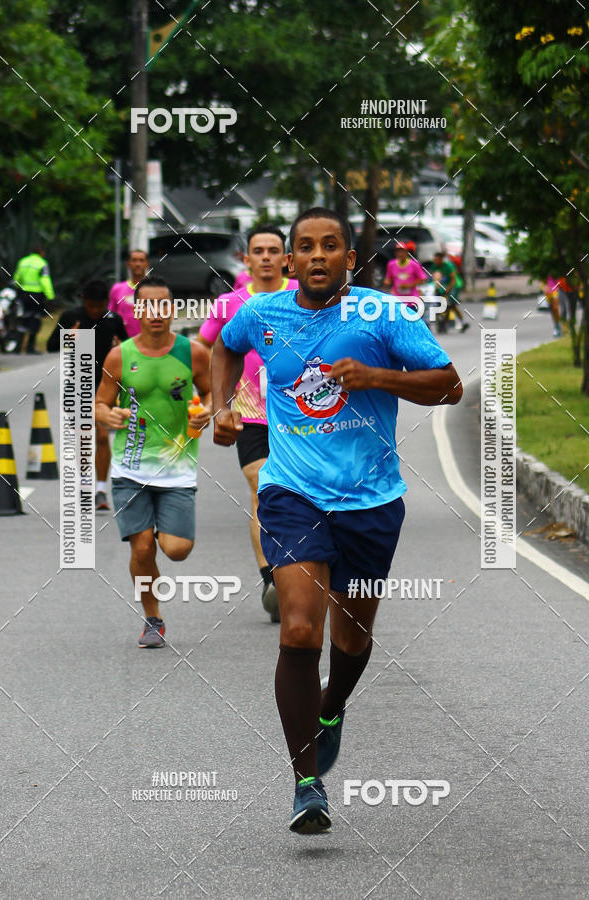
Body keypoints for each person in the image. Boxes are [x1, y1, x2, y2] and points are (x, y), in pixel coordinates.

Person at [211, 207, 462, 833]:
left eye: (330, 246)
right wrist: (223, 408)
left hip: (373, 500)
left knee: (351, 641)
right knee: (299, 630)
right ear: (289, 260)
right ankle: (306, 784)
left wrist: (376, 376)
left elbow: (450, 384)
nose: (316, 255)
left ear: (350, 260)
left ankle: (332, 708)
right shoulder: (263, 314)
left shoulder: (385, 315)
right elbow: (222, 346)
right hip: (292, 491)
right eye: (304, 247)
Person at [96, 276, 212, 648]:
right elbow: (100, 403)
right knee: (143, 547)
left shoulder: (192, 352)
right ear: (136, 310)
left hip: (177, 467)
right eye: (148, 305)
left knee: (176, 549)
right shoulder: (120, 356)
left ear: (173, 309)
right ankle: (153, 618)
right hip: (130, 468)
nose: (156, 313)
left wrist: (205, 413)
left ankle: (163, 530)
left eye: (164, 304)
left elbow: (212, 394)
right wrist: (107, 415)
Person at [197, 226, 298, 623]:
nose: (267, 257)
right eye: (260, 251)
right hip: (251, 413)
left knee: (300, 493)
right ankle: (270, 578)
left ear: (286, 259)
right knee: (262, 488)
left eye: (275, 250)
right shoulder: (229, 304)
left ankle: (303, 566)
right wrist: (216, 399)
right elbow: (208, 347)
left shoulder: (302, 298)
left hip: (298, 413)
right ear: (248, 258)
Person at [47, 279, 128, 510]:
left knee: (102, 436)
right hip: (78, 383)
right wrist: (67, 339)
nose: (94, 311)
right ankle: (84, 486)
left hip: (105, 384)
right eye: (91, 306)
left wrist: (120, 347)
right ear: (84, 301)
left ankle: (100, 490)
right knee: (83, 437)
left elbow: (131, 347)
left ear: (106, 303)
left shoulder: (113, 319)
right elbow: (50, 345)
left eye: (99, 307)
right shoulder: (71, 317)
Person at [12, 246, 55, 354]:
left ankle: (18, 347)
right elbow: (45, 281)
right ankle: (30, 347)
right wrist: (50, 297)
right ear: (41, 252)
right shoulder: (42, 263)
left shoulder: (23, 261)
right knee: (35, 319)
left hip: (24, 294)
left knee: (23, 318)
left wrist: (19, 291)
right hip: (36, 295)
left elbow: (17, 278)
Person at [108, 250, 150, 338]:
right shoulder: (117, 289)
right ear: (128, 264)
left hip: (149, 342)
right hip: (124, 343)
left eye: (141, 260)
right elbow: (110, 316)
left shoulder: (156, 289)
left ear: (147, 264)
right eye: (134, 260)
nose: (138, 264)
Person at [432, 250, 469, 332]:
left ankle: (446, 324)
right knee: (448, 305)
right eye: (435, 260)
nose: (436, 261)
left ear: (441, 259)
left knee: (450, 305)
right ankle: (461, 322)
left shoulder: (448, 266)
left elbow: (453, 279)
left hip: (455, 285)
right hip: (444, 286)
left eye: (437, 260)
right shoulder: (435, 266)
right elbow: (435, 278)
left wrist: (447, 290)